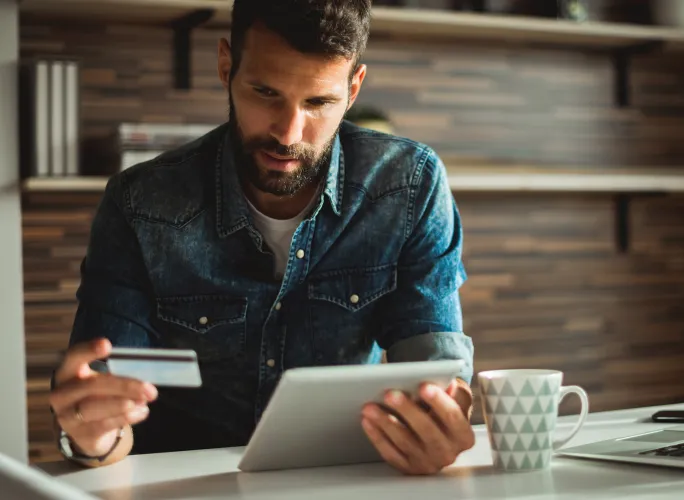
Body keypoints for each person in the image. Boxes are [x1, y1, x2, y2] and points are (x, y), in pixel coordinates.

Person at [47, 0, 474, 476]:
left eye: (318, 102)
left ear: (353, 88)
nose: (288, 134)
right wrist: (92, 436)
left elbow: (436, 373)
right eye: (265, 92)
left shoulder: (408, 186)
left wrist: (440, 422)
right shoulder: (140, 203)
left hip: (340, 482)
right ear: (226, 65)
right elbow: (105, 406)